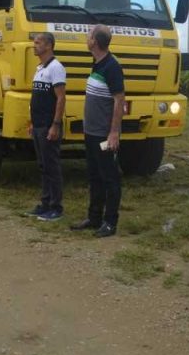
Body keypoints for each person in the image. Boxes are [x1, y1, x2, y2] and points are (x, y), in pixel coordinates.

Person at [70, 24, 125, 238]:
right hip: (91, 132)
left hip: (104, 134)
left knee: (110, 178)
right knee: (94, 176)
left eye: (88, 35)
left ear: (94, 42)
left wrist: (114, 133)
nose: (86, 38)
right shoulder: (97, 63)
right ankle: (94, 218)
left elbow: (119, 100)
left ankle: (110, 222)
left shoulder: (112, 67)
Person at [26, 32, 67, 221]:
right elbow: (37, 98)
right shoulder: (39, 68)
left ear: (49, 45)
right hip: (38, 125)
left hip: (49, 126)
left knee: (52, 166)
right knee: (43, 166)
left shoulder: (56, 68)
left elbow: (60, 97)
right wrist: (32, 123)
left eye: (38, 42)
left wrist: (55, 125)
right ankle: (45, 203)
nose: (35, 45)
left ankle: (56, 207)